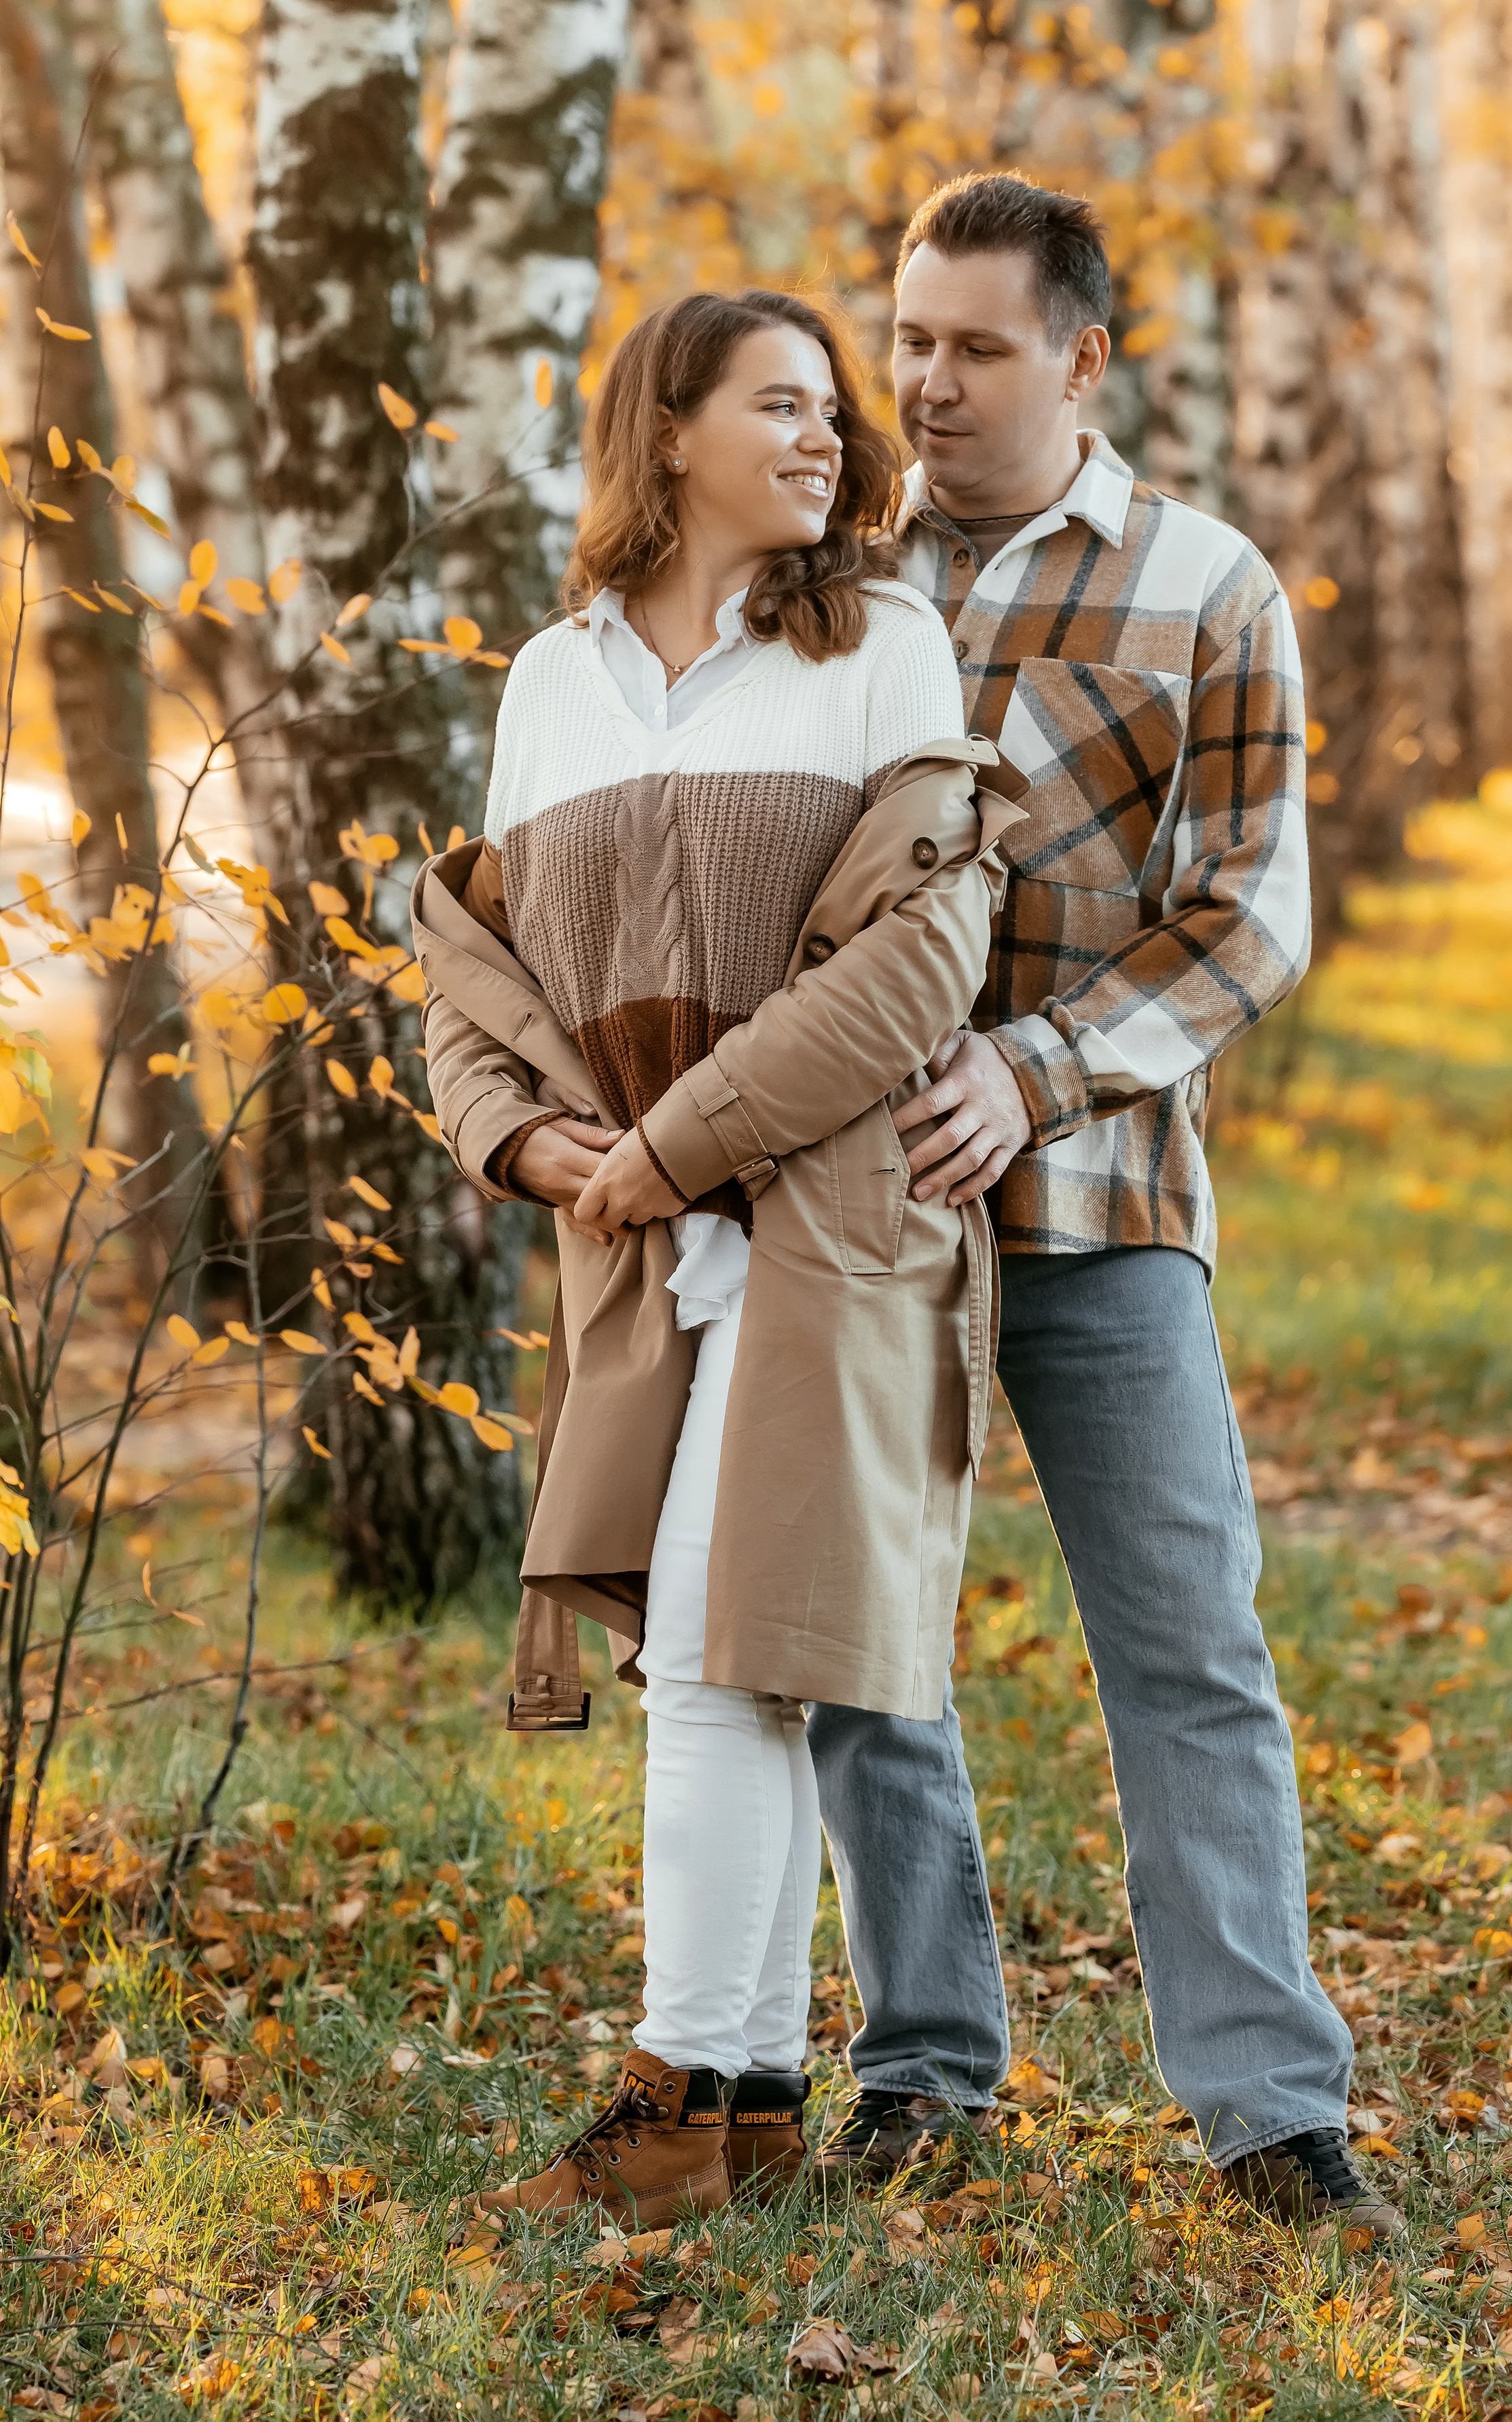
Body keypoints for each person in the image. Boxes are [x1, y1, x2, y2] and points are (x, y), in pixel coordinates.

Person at [805, 173, 1402, 2240]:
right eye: (907, 341)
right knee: (865, 1645)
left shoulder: (1207, 588)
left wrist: (1030, 1069)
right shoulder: (825, 584)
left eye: (973, 346)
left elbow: (1249, 924)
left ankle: (1269, 2116)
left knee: (1189, 1649)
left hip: (1105, 1200)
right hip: (853, 1218)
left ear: (1083, 355)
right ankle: (922, 2069)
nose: (925, 384)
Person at [410, 288, 1021, 2230]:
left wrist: (671, 1145)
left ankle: (683, 2093)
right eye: (780, 402)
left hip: (828, 1235)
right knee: (726, 1671)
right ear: (664, 433)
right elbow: (472, 992)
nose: (832, 433)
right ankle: (743, 2106)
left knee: (717, 1664)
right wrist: (524, 1139)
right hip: (636, 1268)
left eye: (832, 408)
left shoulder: (883, 647)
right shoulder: (549, 684)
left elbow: (919, 966)